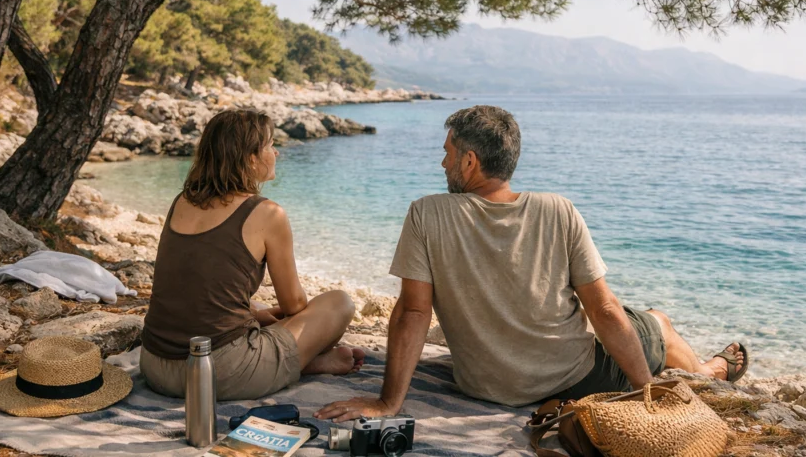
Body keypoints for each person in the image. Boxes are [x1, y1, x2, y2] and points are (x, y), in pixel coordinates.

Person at [318, 105, 748, 420]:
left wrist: (388, 402)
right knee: (658, 322)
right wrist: (646, 395)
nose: (443, 161)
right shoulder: (558, 210)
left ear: (470, 161)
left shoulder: (426, 214)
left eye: (448, 152)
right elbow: (604, 311)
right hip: (573, 380)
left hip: (487, 385)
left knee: (645, 323)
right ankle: (710, 371)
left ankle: (702, 369)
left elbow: (413, 312)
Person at [141, 109, 364, 401]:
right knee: (339, 303)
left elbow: (195, 290)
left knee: (255, 304)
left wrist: (257, 315)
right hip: (217, 374)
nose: (277, 153)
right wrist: (280, 318)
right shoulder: (267, 214)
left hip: (156, 367)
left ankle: (295, 361)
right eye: (271, 146)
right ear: (250, 158)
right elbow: (295, 305)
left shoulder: (182, 200)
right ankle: (305, 363)